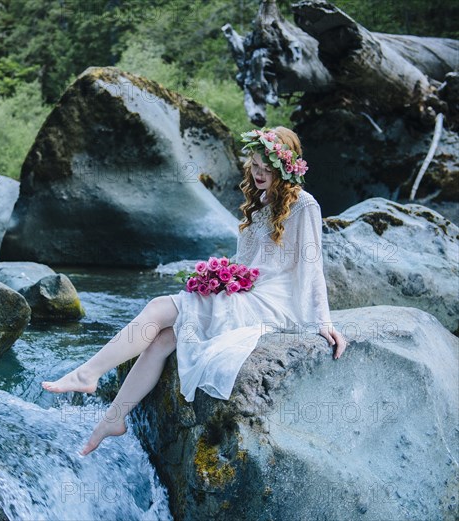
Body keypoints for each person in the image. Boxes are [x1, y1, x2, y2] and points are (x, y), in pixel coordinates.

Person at [41, 126, 348, 456]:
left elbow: (312, 266)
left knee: (160, 307)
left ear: (284, 168)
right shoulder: (258, 202)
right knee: (162, 340)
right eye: (255, 166)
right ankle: (113, 419)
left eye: (266, 168)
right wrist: (221, 278)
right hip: (249, 291)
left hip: (276, 301)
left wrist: (323, 322)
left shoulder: (304, 205)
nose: (259, 173)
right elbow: (244, 262)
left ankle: (88, 373)